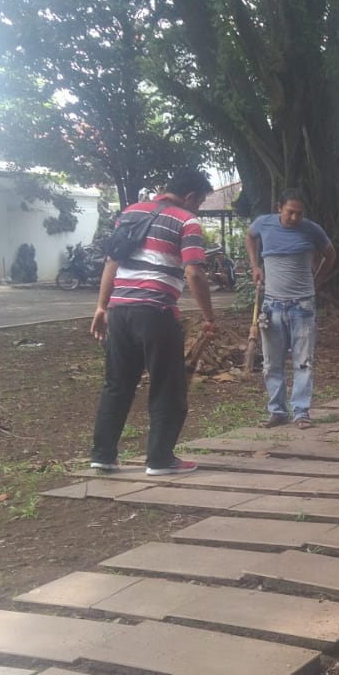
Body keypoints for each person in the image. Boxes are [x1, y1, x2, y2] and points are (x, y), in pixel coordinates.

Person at [89, 167, 219, 476]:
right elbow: (194, 272)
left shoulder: (131, 212)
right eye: (200, 202)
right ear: (190, 196)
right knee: (167, 385)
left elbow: (112, 261)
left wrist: (101, 307)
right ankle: (160, 459)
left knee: (117, 384)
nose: (198, 209)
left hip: (120, 311)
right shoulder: (187, 221)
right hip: (156, 312)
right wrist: (209, 317)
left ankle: (103, 455)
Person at [248, 189, 336, 428]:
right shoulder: (264, 224)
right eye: (290, 212)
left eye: (299, 213)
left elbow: (331, 255)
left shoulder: (312, 230)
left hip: (302, 305)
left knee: (303, 362)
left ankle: (301, 412)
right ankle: (277, 411)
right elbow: (250, 236)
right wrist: (255, 266)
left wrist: (317, 279)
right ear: (279, 208)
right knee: (271, 363)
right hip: (272, 305)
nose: (295, 218)